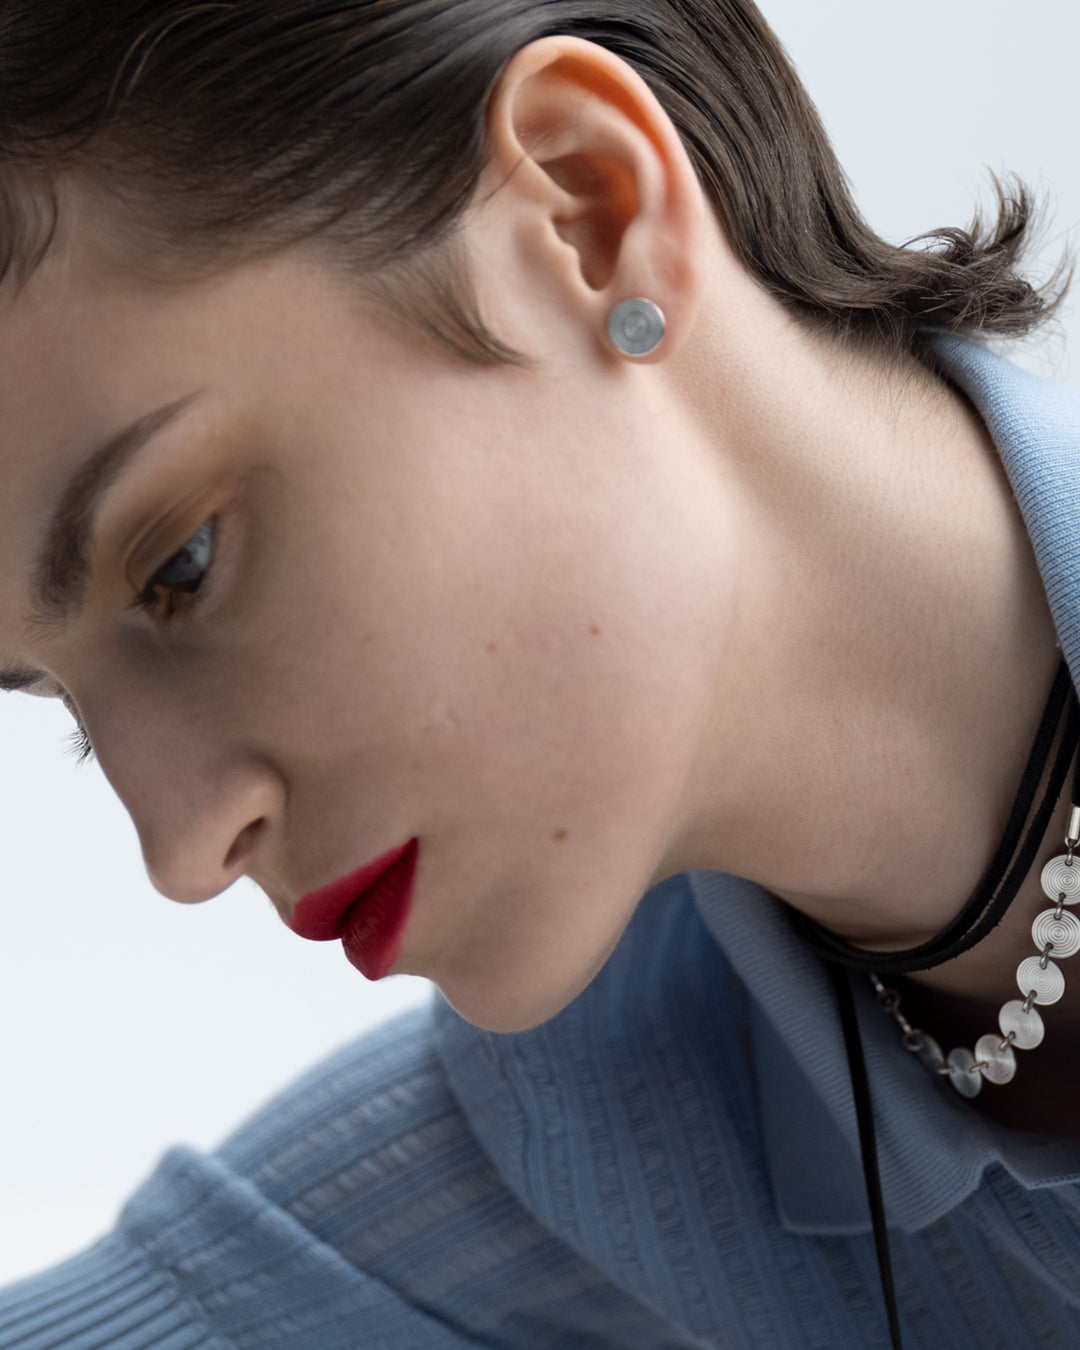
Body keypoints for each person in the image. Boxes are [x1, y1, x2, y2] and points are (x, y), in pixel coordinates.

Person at [0, 0, 1076, 1346]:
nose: (179, 850)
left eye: (182, 563)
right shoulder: (590, 1145)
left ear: (582, 209)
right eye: (66, 705)